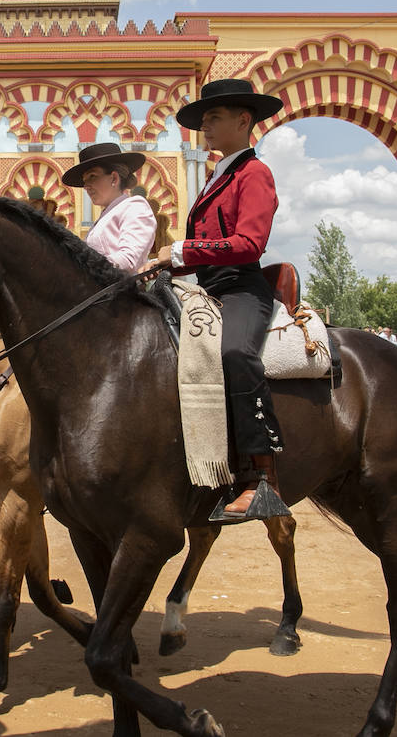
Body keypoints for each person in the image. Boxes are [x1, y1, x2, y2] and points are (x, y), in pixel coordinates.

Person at [149, 78, 287, 523]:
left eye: (214, 117)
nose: (204, 125)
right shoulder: (217, 176)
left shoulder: (254, 174)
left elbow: (249, 243)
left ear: (243, 120)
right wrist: (161, 267)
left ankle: (261, 477)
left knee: (234, 352)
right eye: (203, 119)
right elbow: (197, 253)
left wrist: (183, 252)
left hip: (243, 289)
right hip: (207, 289)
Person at [63, 142, 157, 273]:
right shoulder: (107, 215)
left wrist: (82, 265)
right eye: (85, 180)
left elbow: (129, 260)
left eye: (92, 176)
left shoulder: (134, 207)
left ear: (114, 178)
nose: (86, 186)